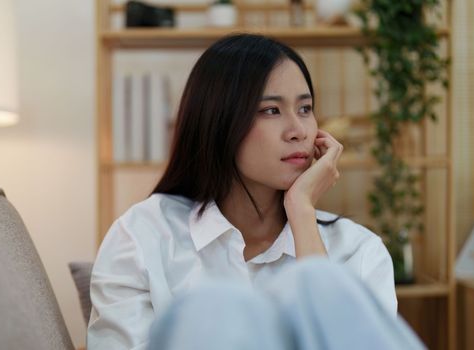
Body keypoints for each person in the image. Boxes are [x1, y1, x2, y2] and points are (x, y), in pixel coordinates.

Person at [87, 33, 402, 350]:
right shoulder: (142, 238)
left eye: (305, 108)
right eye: (271, 110)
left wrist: (302, 211)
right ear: (219, 120)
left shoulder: (359, 252)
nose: (299, 131)